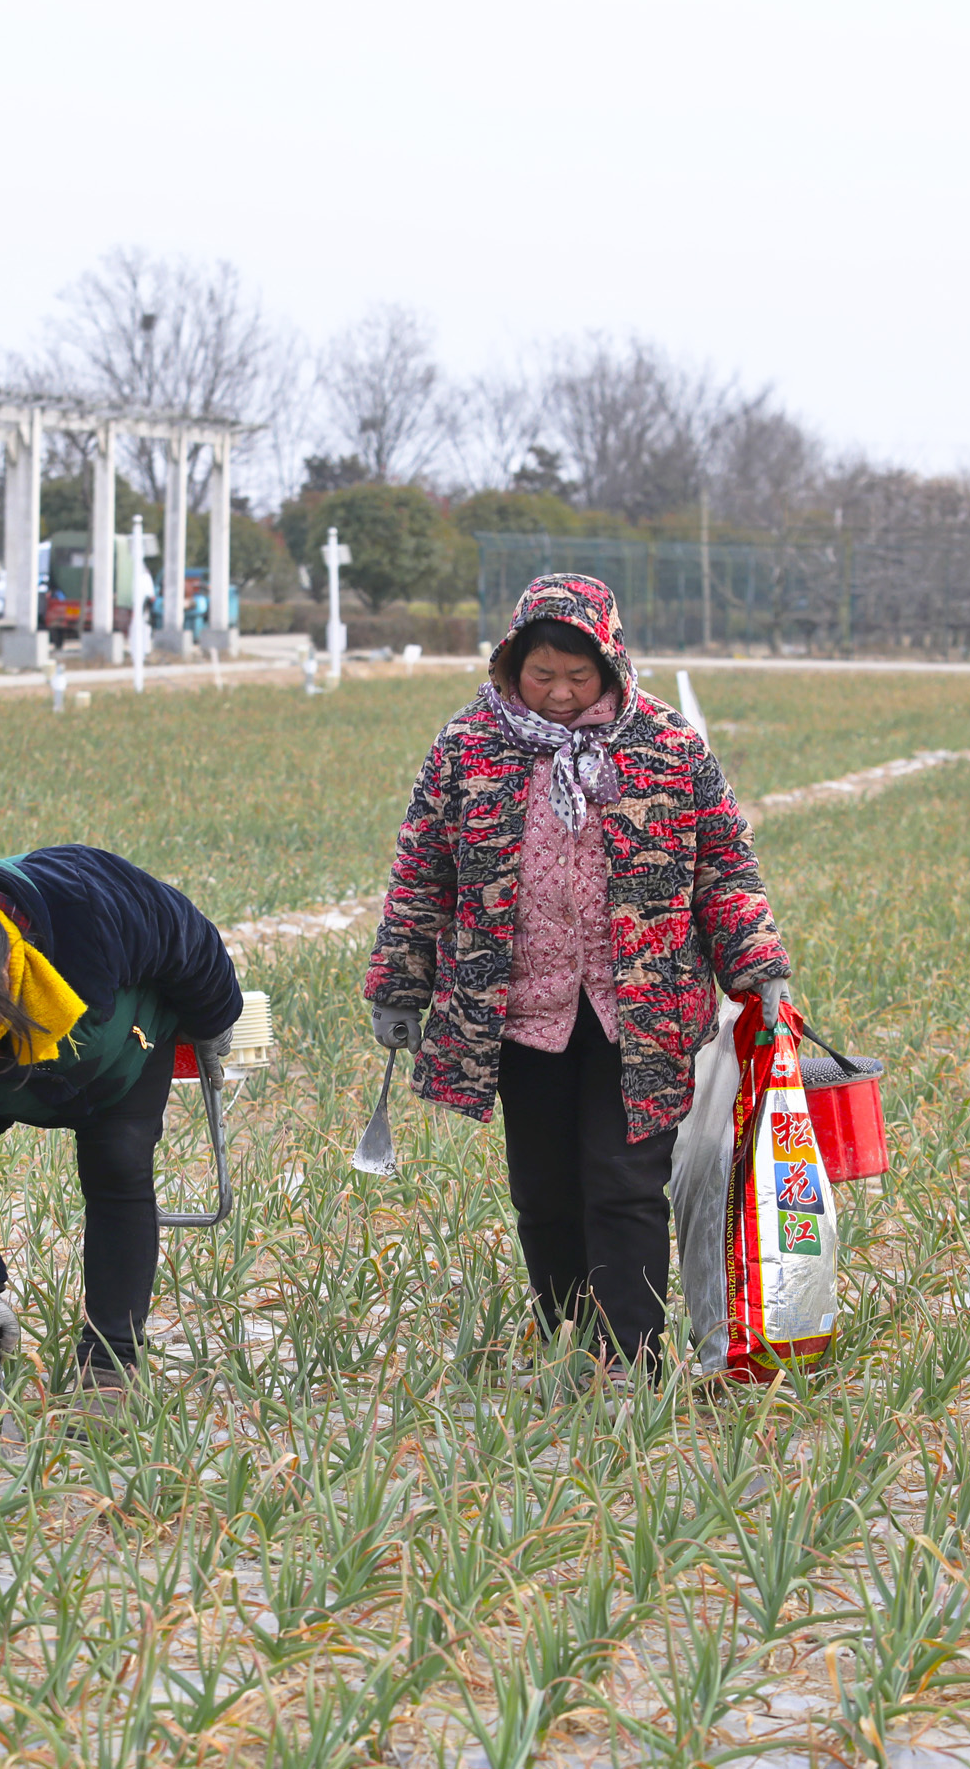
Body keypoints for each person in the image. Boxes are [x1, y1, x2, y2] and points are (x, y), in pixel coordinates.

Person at [364, 574, 793, 1382]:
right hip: (521, 1007)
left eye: (578, 676)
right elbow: (422, 871)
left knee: (626, 1184)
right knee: (544, 1189)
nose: (560, 694)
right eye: (542, 676)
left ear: (612, 665)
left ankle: (630, 1356)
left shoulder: (668, 746)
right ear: (510, 666)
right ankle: (567, 1340)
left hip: (639, 1008)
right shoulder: (468, 746)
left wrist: (757, 965)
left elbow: (724, 868)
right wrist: (400, 981)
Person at [0, 847, 243, 1427]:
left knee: (119, 1169)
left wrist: (214, 1017)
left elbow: (185, 934)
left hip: (113, 1057)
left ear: (9, 966)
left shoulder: (84, 908)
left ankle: (111, 1366)